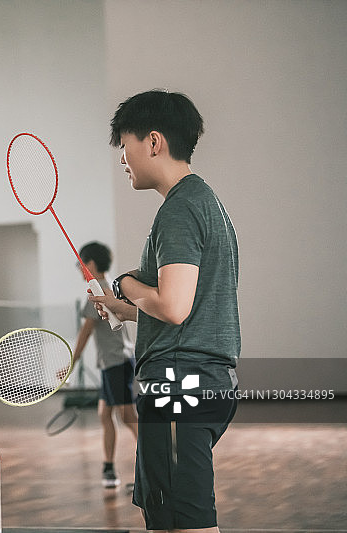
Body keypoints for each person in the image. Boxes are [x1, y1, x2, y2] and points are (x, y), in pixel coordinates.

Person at [90, 90, 239, 533]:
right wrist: (127, 307)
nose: (123, 158)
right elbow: (187, 309)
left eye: (126, 144)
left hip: (180, 382)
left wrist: (125, 283)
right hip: (199, 378)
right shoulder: (205, 203)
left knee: (188, 523)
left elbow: (173, 306)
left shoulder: (179, 210)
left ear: (153, 142)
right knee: (168, 516)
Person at [71, 242, 137, 489]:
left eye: (80, 264)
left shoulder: (97, 292)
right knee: (105, 414)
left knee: (129, 417)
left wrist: (71, 362)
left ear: (90, 265)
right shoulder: (112, 288)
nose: (79, 268)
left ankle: (151, 468)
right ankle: (109, 468)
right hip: (116, 362)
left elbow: (85, 332)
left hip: (116, 363)